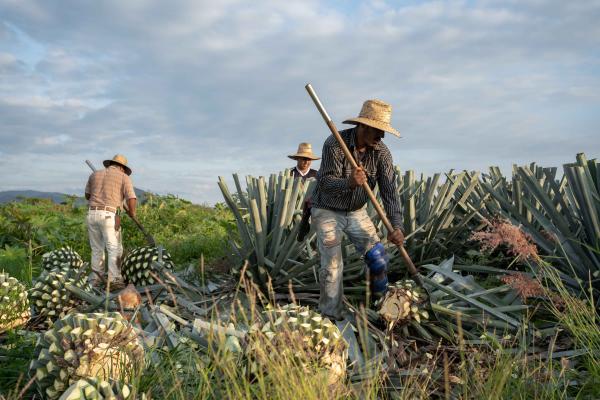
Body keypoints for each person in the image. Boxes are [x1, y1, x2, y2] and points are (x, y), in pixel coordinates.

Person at [311, 99, 405, 320]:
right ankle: (331, 316)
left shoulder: (381, 152)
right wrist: (349, 183)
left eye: (383, 133)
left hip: (356, 211)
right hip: (327, 210)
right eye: (377, 131)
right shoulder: (335, 143)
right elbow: (324, 183)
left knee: (378, 257)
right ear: (362, 126)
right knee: (333, 267)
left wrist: (397, 226)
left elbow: (390, 192)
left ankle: (383, 309)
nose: (381, 137)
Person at [85, 154, 137, 289]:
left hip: (92, 213)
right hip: (108, 215)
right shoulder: (123, 177)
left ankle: (96, 279)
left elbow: (87, 195)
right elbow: (131, 198)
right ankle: (114, 280)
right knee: (114, 248)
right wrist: (132, 213)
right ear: (122, 168)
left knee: (97, 249)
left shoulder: (95, 175)